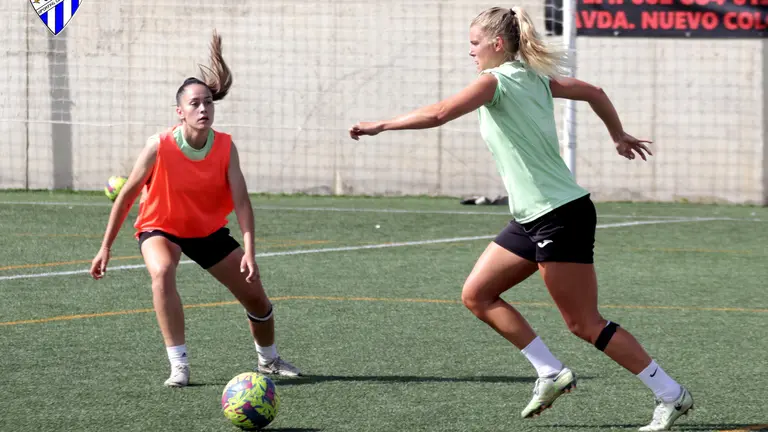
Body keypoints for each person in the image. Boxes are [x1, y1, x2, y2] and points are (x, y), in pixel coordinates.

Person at [348, 6, 692, 431]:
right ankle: (551, 373)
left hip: (559, 215)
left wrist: (381, 124)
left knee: (585, 323)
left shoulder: (494, 82)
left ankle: (671, 394)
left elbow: (439, 113)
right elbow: (596, 92)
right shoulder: (535, 79)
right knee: (478, 295)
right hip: (532, 218)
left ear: (497, 44)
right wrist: (617, 134)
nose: (469, 51)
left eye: (474, 43)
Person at [89, 30, 300, 387]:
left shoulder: (226, 147)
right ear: (180, 111)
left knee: (256, 297)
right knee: (162, 271)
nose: (203, 109)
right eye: (195, 104)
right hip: (161, 226)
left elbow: (243, 202)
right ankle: (180, 366)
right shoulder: (159, 146)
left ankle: (269, 360)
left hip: (207, 230)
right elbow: (127, 197)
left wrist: (249, 251)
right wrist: (105, 246)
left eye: (208, 103)